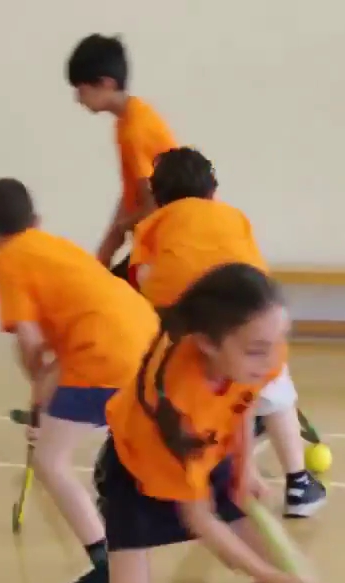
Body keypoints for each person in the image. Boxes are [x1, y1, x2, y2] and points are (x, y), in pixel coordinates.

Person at [68, 263, 316, 583]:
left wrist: (244, 466)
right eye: (257, 349)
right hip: (140, 478)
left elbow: (245, 398)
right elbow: (199, 518)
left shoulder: (256, 355)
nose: (272, 359)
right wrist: (265, 574)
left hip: (206, 456)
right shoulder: (178, 403)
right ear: (207, 344)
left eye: (278, 341)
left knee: (288, 581)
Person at [0, 177, 159, 583]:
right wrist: (45, 391)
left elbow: (30, 341)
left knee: (51, 460)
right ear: (36, 220)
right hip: (147, 340)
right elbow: (65, 334)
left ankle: (107, 569)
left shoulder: (8, 260)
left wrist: (40, 391)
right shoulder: (56, 247)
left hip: (105, 355)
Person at [132, 147, 327, 518]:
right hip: (248, 316)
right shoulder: (233, 216)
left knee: (203, 395)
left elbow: (144, 279)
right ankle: (299, 484)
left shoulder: (152, 225)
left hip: (187, 327)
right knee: (276, 392)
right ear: (213, 190)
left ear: (157, 197)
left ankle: (201, 466)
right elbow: (254, 272)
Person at [66, 34, 178, 283]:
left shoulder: (135, 129)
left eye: (81, 90)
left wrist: (120, 229)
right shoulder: (127, 120)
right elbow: (133, 194)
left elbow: (153, 205)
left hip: (171, 243)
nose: (78, 98)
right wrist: (106, 252)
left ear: (106, 83)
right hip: (158, 238)